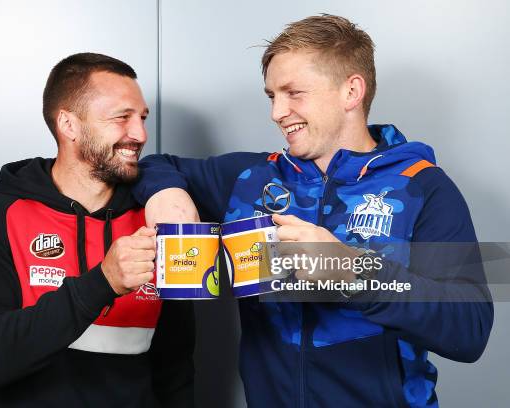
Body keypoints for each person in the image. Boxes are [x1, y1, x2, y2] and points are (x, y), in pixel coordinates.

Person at [132, 15, 493, 408]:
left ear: (351, 91)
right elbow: (152, 165)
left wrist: (353, 272)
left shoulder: (423, 186)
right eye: (272, 95)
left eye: (293, 93)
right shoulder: (251, 177)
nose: (277, 112)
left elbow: (470, 331)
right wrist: (165, 193)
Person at [0, 53, 194, 407]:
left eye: (142, 118)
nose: (140, 134)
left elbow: (175, 369)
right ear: (69, 125)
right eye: (121, 118)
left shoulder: (155, 220)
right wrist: (103, 282)